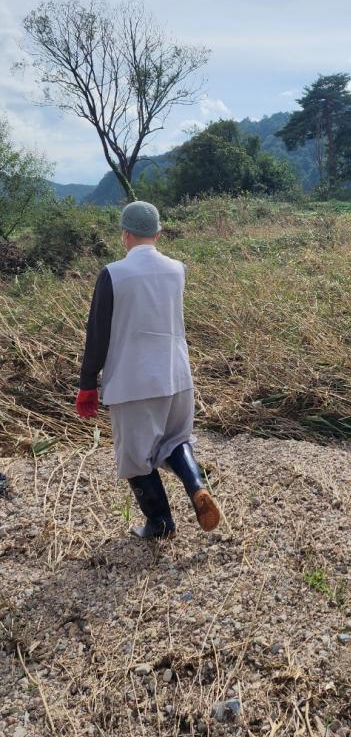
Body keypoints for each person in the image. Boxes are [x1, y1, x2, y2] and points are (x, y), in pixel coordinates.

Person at [74, 200, 220, 539]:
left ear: (125, 234)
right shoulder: (176, 269)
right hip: (177, 376)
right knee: (176, 440)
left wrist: (87, 382)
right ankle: (196, 486)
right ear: (157, 233)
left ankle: (160, 524)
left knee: (135, 457)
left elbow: (98, 333)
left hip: (133, 381)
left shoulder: (113, 273)